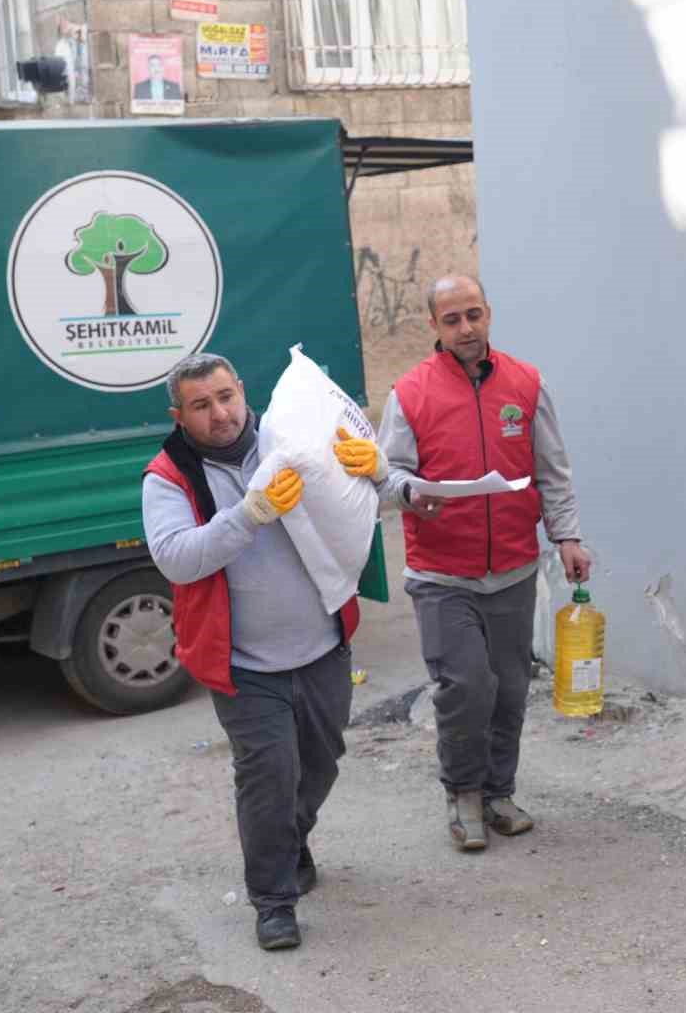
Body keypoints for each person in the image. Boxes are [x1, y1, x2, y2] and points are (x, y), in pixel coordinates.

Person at [142, 352, 384, 952]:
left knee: (321, 763)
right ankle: (274, 900)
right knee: (268, 779)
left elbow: (368, 505)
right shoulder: (167, 477)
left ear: (243, 391)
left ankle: (289, 838)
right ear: (180, 415)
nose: (220, 414)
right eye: (201, 405)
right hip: (246, 665)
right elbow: (176, 557)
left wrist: (380, 474)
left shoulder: (292, 438)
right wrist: (248, 513)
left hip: (323, 645)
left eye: (226, 396)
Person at [376, 275, 590, 851]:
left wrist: (567, 537)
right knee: (465, 685)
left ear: (489, 313)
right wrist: (411, 493)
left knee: (510, 687)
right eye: (452, 320)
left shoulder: (526, 383)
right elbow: (383, 477)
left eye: (474, 315)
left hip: (515, 569)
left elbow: (552, 470)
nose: (466, 329)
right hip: (443, 573)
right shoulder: (409, 394)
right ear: (434, 327)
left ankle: (499, 792)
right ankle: (463, 794)